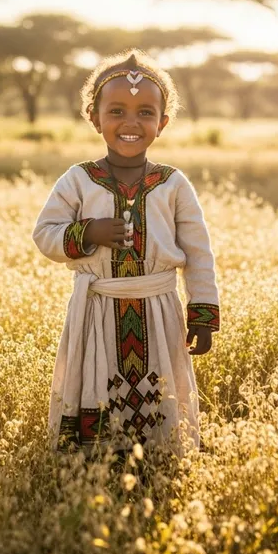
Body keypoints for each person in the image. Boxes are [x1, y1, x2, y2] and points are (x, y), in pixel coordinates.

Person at [33, 50, 220, 455]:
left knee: (162, 386)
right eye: (116, 110)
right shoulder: (78, 179)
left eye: (145, 112)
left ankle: (160, 452)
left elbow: (199, 252)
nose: (131, 123)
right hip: (97, 309)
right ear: (94, 117)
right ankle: (96, 457)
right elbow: (45, 235)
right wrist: (88, 232)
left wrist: (202, 313)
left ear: (162, 123)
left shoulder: (173, 184)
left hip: (159, 310)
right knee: (97, 381)